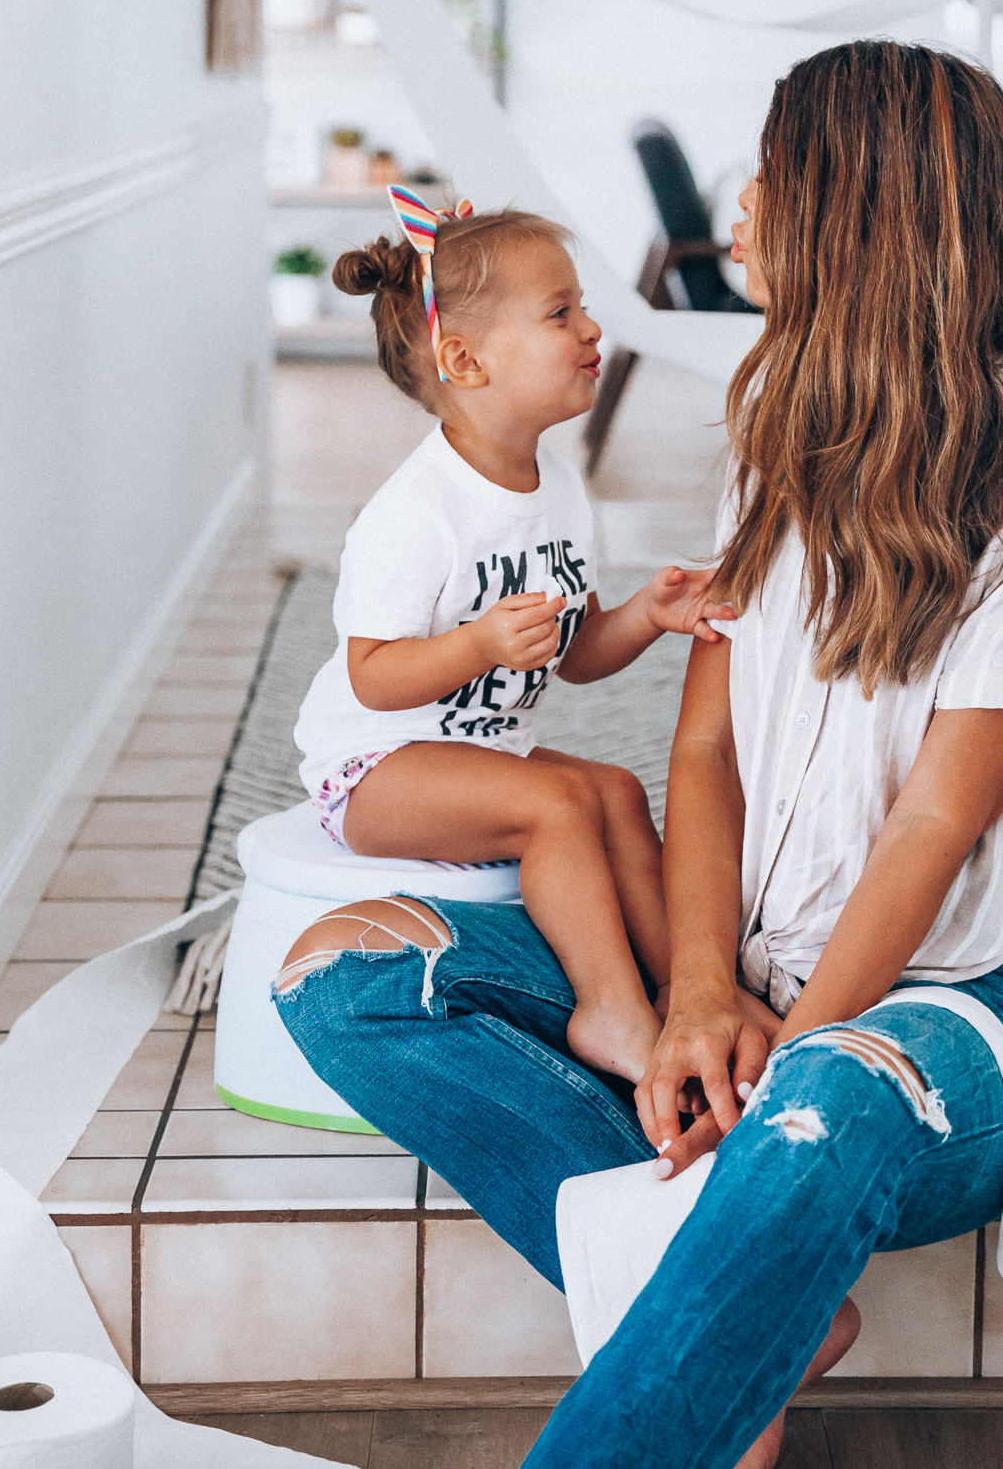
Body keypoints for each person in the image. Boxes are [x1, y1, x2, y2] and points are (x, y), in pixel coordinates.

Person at [274, 44, 1003, 1469]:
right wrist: (689, 1000)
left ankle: (720, 1243)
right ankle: (757, 1301)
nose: (739, 206)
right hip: (742, 966)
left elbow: (932, 823)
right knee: (342, 975)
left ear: (861, 216)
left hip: (946, 1014)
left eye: (773, 172)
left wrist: (780, 1048)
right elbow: (707, 765)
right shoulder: (773, 429)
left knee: (821, 1103)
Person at [290, 197, 730, 1084]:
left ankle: (691, 992)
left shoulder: (560, 488)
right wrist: (478, 645)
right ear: (465, 359)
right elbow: (372, 680)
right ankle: (611, 1009)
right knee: (556, 808)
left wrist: (648, 614)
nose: (591, 326)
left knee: (608, 790)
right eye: (560, 312)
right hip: (373, 769)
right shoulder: (416, 513)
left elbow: (576, 653)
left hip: (472, 755)